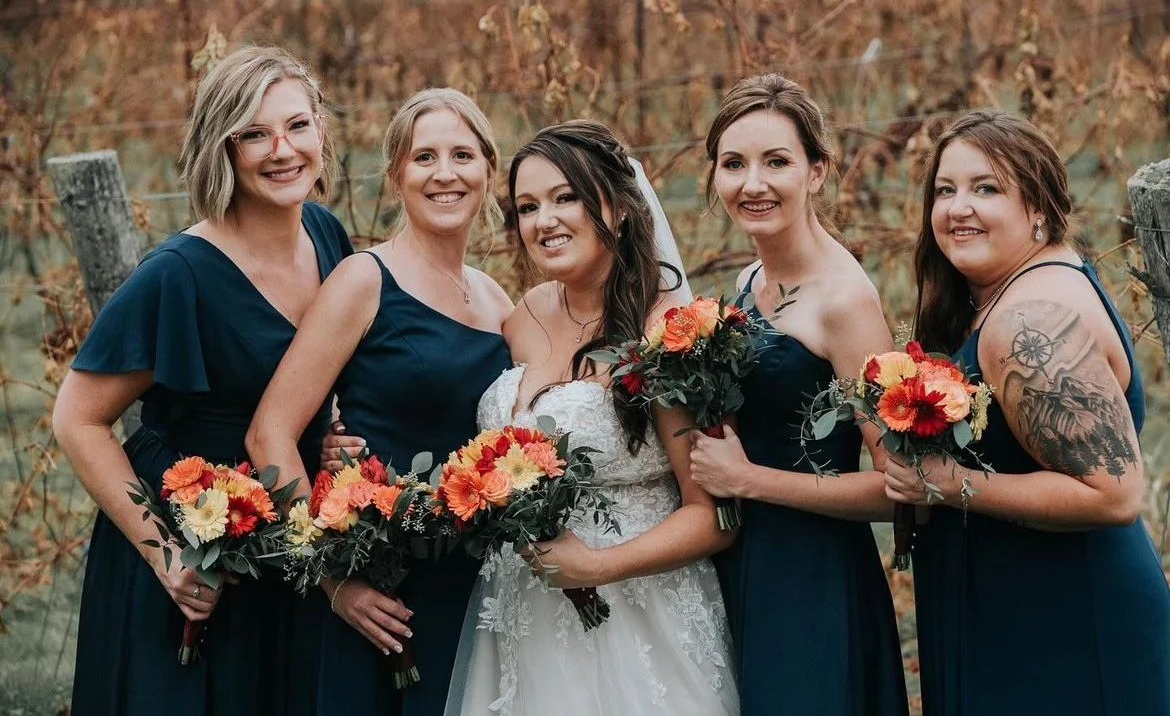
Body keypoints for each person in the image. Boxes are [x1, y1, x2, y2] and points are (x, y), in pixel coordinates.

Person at [53, 46, 353, 716]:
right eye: (254, 132)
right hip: (197, 537)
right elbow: (76, 418)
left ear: (322, 130)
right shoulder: (177, 274)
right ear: (224, 146)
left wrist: (332, 438)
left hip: (293, 527)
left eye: (298, 125)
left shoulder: (328, 236)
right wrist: (167, 556)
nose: (282, 149)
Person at [443, 121, 739, 716]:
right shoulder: (523, 316)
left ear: (620, 207)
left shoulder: (666, 337)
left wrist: (597, 565)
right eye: (528, 206)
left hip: (639, 618)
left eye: (565, 197)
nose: (544, 220)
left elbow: (716, 518)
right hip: (524, 617)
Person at [886, 109, 1170, 714]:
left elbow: (1112, 496)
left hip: (1064, 624)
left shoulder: (1028, 322)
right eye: (945, 189)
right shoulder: (1016, 291)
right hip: (1021, 612)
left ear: (1039, 207)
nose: (958, 206)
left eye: (986, 188)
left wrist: (948, 483)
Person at [246, 87, 512, 716]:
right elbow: (270, 434)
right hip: (380, 587)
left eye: (462, 156)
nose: (444, 174)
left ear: (487, 171)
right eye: (424, 158)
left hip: (475, 584)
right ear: (396, 174)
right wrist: (337, 585)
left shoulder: (497, 301)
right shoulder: (365, 280)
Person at [687, 73, 908, 715]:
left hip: (810, 575)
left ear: (816, 171)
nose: (752, 184)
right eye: (734, 164)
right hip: (739, 557)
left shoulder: (846, 303)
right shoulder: (748, 277)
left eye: (775, 162)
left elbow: (898, 486)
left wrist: (749, 480)